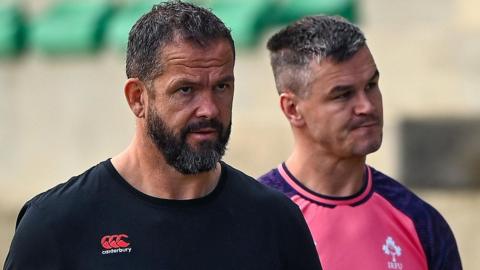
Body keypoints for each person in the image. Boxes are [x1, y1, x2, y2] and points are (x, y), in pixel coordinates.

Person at [4, 2, 322, 269]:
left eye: (222, 86)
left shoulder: (276, 222)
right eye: (186, 90)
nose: (209, 109)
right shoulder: (54, 225)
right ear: (137, 98)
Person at [259, 15, 462, 270]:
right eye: (342, 95)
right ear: (292, 109)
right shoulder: (253, 223)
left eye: (371, 85)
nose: (366, 106)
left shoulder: (421, 222)